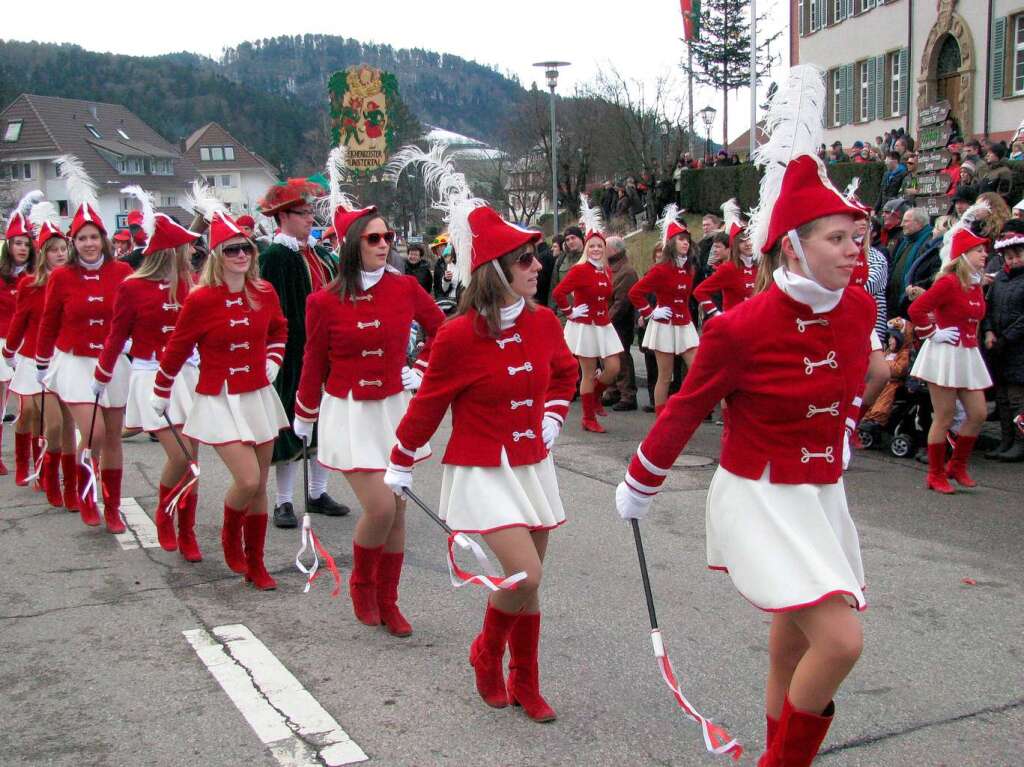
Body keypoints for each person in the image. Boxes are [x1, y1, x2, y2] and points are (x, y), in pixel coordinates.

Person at [617, 66, 874, 766]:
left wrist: (848, 427)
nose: (855, 251)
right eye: (837, 239)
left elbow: (854, 377)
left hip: (820, 491)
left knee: (792, 643)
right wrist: (641, 481)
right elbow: (684, 406)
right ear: (792, 244)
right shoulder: (740, 327)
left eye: (858, 236)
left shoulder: (859, 307)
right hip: (762, 492)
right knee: (840, 640)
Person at [383, 199, 577, 723]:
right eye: (525, 259)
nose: (538, 265)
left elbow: (565, 375)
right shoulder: (458, 335)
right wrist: (402, 459)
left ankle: (525, 679)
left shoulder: (543, 323)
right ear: (496, 271)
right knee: (526, 575)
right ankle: (487, 652)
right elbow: (429, 404)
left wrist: (553, 419)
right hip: (481, 468)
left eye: (537, 255)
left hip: (532, 464)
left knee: (529, 583)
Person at [293, 192, 444, 636]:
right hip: (351, 411)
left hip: (395, 409)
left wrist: (421, 367)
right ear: (354, 243)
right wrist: (305, 411)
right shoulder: (324, 300)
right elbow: (313, 359)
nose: (385, 244)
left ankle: (388, 599)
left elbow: (442, 330)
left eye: (388, 236)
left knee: (396, 512)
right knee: (379, 508)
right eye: (375, 237)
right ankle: (362, 584)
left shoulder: (406, 287)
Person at [153, 208, 288, 589]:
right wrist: (161, 391)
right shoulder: (201, 300)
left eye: (245, 248)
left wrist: (274, 359)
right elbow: (177, 349)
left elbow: (280, 329)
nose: (241, 256)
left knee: (261, 484)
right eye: (231, 250)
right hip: (220, 396)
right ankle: (231, 538)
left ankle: (256, 561)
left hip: (258, 395)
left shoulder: (264, 292)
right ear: (217, 256)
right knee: (246, 479)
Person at [93, 186, 203, 559]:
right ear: (171, 252)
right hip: (149, 376)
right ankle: (164, 512)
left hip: (187, 375)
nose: (192, 252)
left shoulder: (189, 285)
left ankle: (186, 529)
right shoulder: (132, 287)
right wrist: (103, 374)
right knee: (180, 456)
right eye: (186, 247)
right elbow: (116, 335)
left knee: (194, 459)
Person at [35, 156, 134, 532]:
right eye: (82, 238)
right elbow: (49, 322)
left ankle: (110, 506)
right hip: (75, 363)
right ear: (73, 243)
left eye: (94, 237)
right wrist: (43, 363)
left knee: (113, 436)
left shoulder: (122, 272)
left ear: (103, 240)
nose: (89, 244)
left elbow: (133, 316)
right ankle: (85, 492)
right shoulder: (62, 277)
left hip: (113, 362)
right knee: (91, 433)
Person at [257, 179, 346, 529]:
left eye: (312, 212)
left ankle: (318, 492)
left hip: (327, 354)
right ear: (284, 216)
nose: (311, 218)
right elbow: (269, 311)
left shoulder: (321, 254)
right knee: (292, 428)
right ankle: (282, 501)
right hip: (293, 353)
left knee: (326, 423)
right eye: (304, 212)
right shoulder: (275, 257)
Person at [908, 205, 992, 493]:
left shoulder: (975, 285)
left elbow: (977, 319)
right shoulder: (948, 282)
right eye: (979, 251)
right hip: (944, 354)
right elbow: (917, 308)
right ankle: (935, 474)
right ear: (965, 255)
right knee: (943, 416)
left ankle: (956, 465)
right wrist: (934, 333)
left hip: (967, 354)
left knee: (978, 413)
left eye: (984, 251)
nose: (984, 255)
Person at [4, 201, 77, 509]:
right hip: (34, 360)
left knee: (67, 424)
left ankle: (67, 482)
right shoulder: (29, 285)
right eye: (53, 249)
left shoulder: (76, 283)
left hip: (66, 362)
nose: (60, 254)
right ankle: (33, 466)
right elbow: (19, 323)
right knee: (42, 419)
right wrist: (10, 353)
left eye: (63, 249)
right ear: (43, 253)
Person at [551, 197, 622, 433]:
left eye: (599, 246)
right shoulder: (580, 270)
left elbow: (607, 295)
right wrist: (570, 312)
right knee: (588, 373)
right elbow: (559, 292)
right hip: (584, 326)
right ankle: (588, 417)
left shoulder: (607, 271)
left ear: (604, 249)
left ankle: (596, 397)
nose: (595, 249)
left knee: (613, 367)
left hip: (603, 324)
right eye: (591, 246)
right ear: (586, 248)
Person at [628, 206, 699, 414]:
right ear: (671, 244)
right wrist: (650, 312)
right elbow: (635, 293)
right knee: (665, 376)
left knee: (696, 370)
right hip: (664, 326)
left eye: (687, 240)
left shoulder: (689, 270)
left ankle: (684, 408)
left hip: (684, 325)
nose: (685, 243)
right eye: (681, 239)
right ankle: (661, 418)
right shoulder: (660, 270)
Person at [0, 190, 41, 480]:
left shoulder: (34, 278)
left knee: (31, 408)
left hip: (28, 347)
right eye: (17, 243)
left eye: (26, 244)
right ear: (9, 246)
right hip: (2, 344)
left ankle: (35, 463)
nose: (22, 248)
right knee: (2, 402)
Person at [981, 222, 1024, 461]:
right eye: (1009, 257)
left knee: (1018, 400)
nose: (1013, 261)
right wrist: (988, 332)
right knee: (1003, 399)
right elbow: (988, 308)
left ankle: (1020, 442)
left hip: (1017, 348)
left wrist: (1007, 337)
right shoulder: (1000, 280)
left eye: (1017, 256)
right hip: (998, 347)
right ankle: (1006, 441)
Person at [693, 207, 758, 319]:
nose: (748, 244)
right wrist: (716, 313)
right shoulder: (728, 268)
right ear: (735, 245)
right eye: (742, 241)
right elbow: (700, 291)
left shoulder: (759, 267)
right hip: (735, 325)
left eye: (749, 239)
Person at [604, 235, 639, 411]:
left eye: (606, 247)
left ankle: (628, 394)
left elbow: (622, 302)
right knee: (609, 357)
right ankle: (613, 390)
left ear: (616, 250)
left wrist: (606, 320)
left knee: (622, 357)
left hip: (620, 322)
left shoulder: (626, 272)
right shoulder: (609, 269)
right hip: (609, 320)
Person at [887, 208, 933, 318]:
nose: (902, 224)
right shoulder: (906, 241)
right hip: (895, 304)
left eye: (906, 221)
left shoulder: (928, 243)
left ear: (919, 222)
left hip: (910, 305)